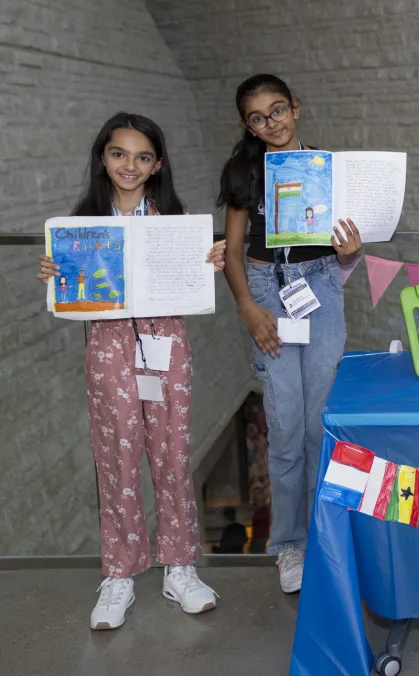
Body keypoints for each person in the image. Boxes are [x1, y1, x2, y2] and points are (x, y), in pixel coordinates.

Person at [36, 113, 226, 630]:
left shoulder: (175, 217)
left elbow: (194, 276)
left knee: (173, 454)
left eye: (143, 156)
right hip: (108, 350)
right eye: (119, 153)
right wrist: (56, 273)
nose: (130, 164)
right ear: (103, 156)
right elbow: (71, 294)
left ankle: (179, 567)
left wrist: (208, 259)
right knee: (116, 458)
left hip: (166, 347)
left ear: (156, 164)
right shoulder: (82, 222)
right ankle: (119, 575)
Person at [217, 74, 362, 593]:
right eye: (258, 117)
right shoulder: (242, 172)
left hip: (320, 286)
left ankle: (328, 532)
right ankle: (288, 545)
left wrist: (350, 252)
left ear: (296, 108)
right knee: (283, 425)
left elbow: (348, 244)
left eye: (278, 110)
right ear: (247, 126)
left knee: (318, 423)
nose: (271, 123)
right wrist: (248, 307)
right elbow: (232, 253)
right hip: (266, 291)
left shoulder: (326, 167)